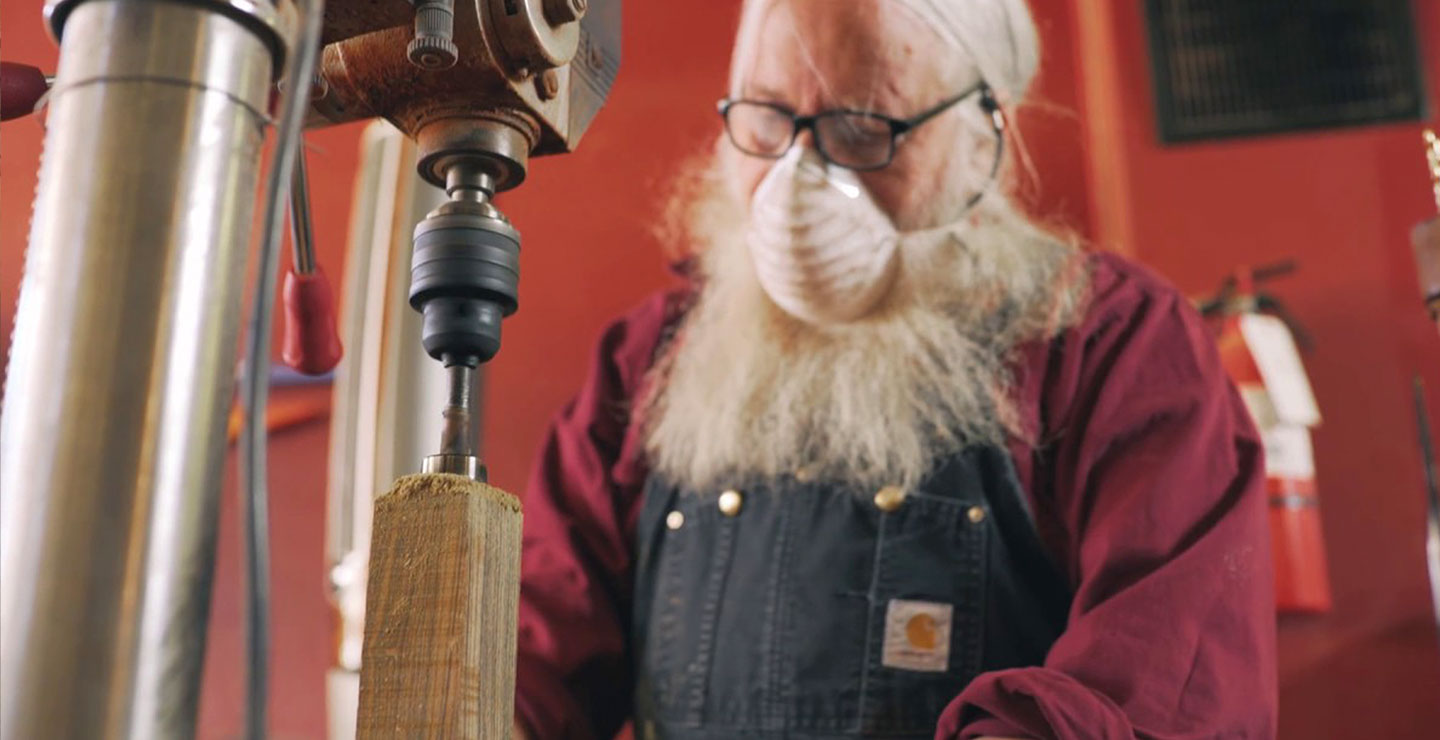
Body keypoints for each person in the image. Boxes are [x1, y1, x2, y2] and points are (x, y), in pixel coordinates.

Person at [513, 0, 1277, 737]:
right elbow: (537, 649)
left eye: (862, 128)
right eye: (768, 118)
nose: (797, 179)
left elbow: (1162, 688)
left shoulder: (1110, 344)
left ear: (985, 135)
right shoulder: (648, 360)